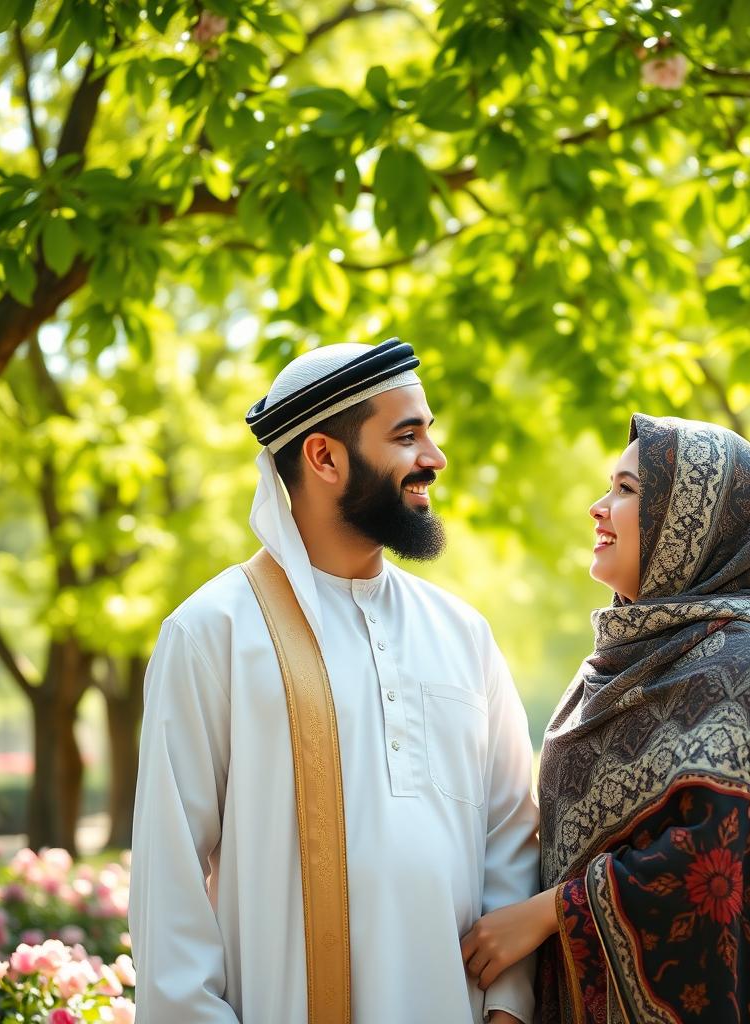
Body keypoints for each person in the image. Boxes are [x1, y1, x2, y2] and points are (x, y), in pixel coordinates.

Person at [131, 339, 539, 1024]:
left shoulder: (462, 632)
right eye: (407, 436)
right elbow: (168, 884)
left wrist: (508, 1007)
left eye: (428, 433)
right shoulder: (212, 633)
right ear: (323, 456)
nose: (433, 459)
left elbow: (511, 834)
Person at [461, 414, 750, 1024]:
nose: (597, 507)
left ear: (691, 525)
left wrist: (547, 915)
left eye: (625, 490)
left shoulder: (749, 667)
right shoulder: (617, 665)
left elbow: (718, 868)